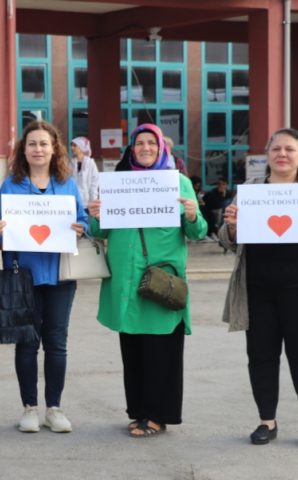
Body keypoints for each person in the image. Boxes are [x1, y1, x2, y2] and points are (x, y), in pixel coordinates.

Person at [87, 123, 207, 438]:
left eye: (151, 143)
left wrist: (193, 214)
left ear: (162, 148)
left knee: (161, 351)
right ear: (132, 149)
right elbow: (100, 232)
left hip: (161, 280)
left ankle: (158, 415)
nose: (145, 148)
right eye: (139, 143)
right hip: (127, 281)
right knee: (134, 350)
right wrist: (96, 214)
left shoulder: (178, 182)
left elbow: (198, 232)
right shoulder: (118, 184)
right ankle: (138, 411)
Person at [219, 127, 298, 449]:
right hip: (257, 288)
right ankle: (267, 421)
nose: (282, 155)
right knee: (261, 355)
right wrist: (231, 226)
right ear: (268, 154)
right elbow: (227, 239)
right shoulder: (250, 190)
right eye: (277, 149)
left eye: (290, 149)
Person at [0, 120, 88, 434]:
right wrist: (0, 232)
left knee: (57, 343)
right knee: (27, 343)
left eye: (44, 144)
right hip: (24, 275)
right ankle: (30, 408)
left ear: (54, 149)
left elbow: (83, 218)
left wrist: (81, 227)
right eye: (32, 144)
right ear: (24, 149)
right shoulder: (11, 184)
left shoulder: (67, 183)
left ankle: (55, 407)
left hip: (61, 275)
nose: (38, 149)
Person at [69, 136, 99, 208]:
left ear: (81, 147)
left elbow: (94, 183)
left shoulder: (90, 163)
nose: (72, 148)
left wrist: (93, 200)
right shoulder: (70, 163)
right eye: (71, 145)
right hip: (73, 202)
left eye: (75, 145)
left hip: (87, 203)